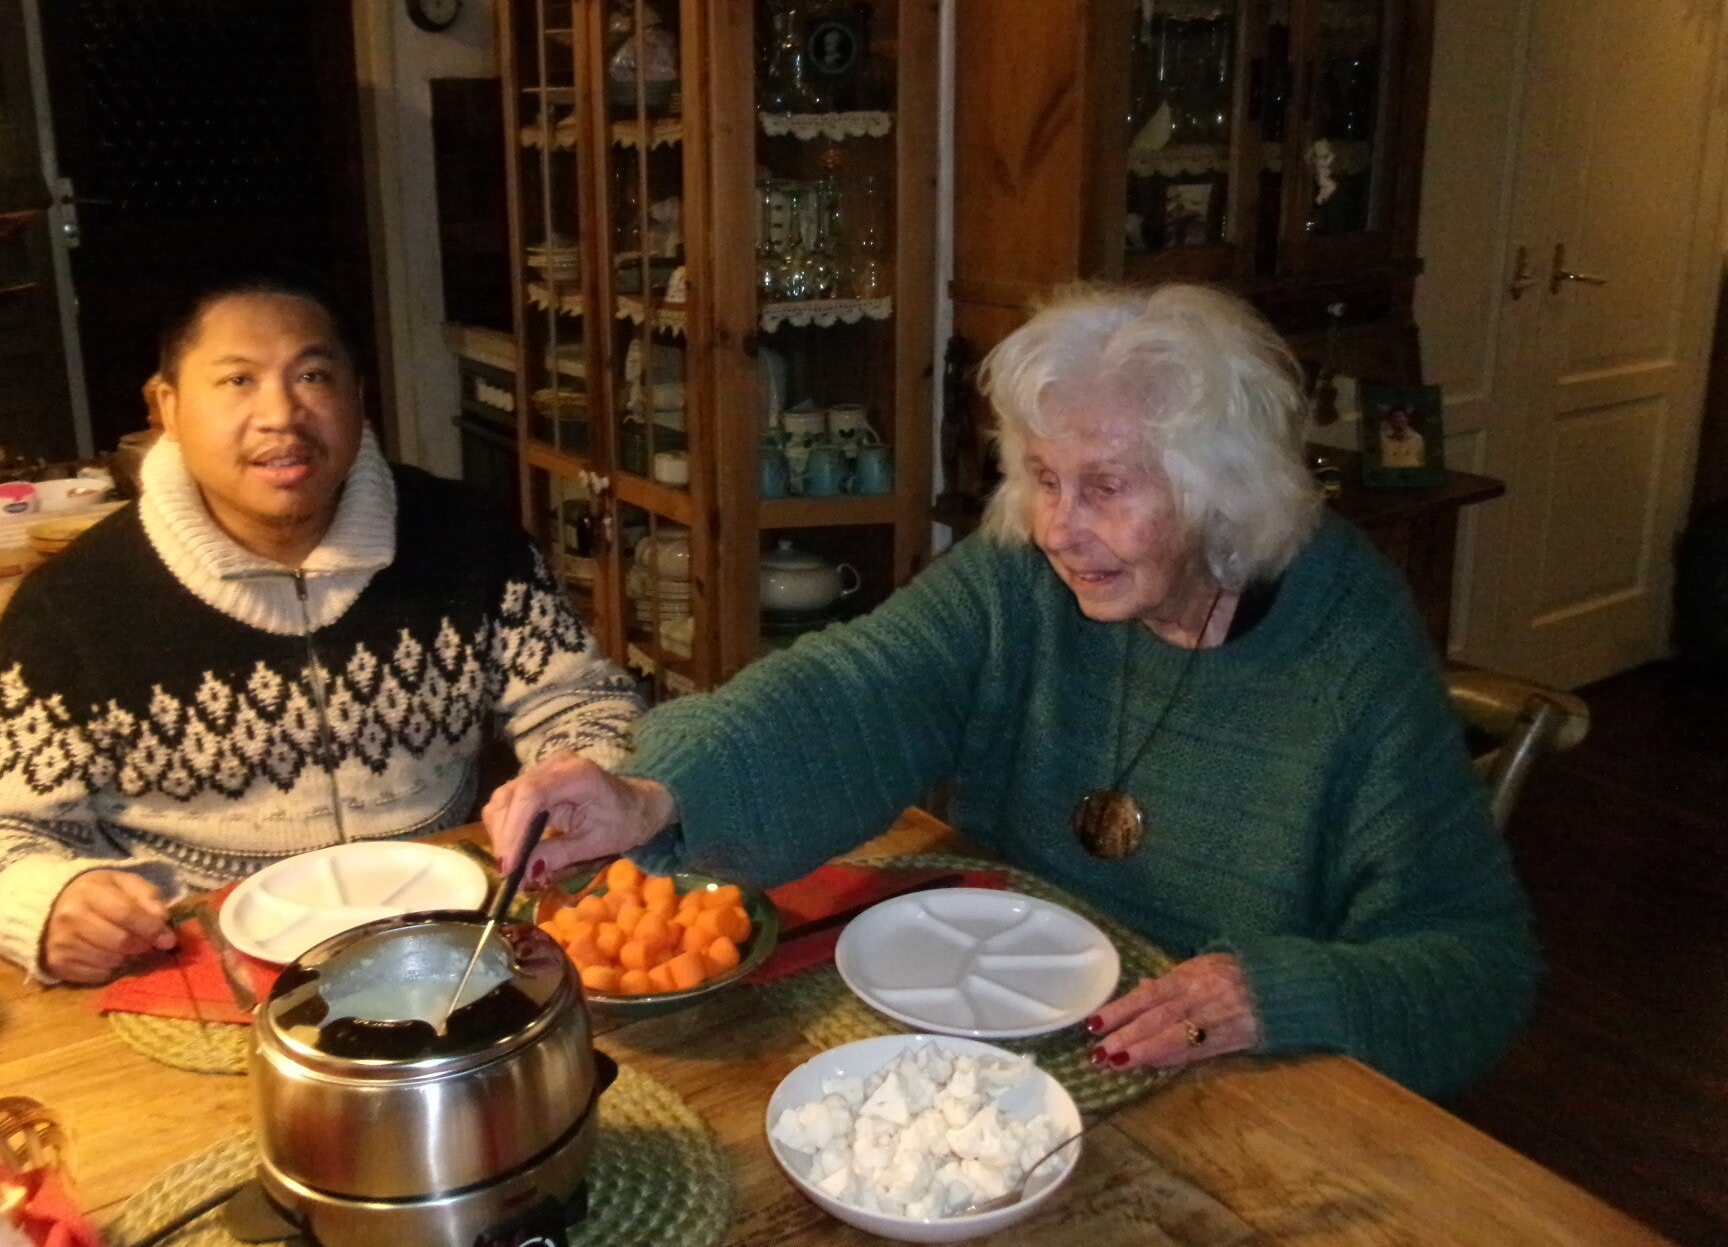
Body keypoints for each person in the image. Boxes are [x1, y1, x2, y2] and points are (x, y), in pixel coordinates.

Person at [485, 282, 1538, 1100]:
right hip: (994, 1026)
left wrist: (1279, 994)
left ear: (1222, 488)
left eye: (1107, 487)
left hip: (1222, 1082)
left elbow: (1479, 966)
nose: (1059, 529)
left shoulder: (1348, 646)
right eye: (1042, 478)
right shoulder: (1025, 579)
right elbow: (858, 685)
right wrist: (654, 794)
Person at [0, 277, 642, 984]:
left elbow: (581, 701)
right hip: (194, 965)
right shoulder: (75, 604)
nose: (281, 415)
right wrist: (46, 903)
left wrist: (580, 773)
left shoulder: (466, 537)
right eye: (237, 380)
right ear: (167, 406)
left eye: (312, 376)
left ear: (357, 395)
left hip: (443, 943)